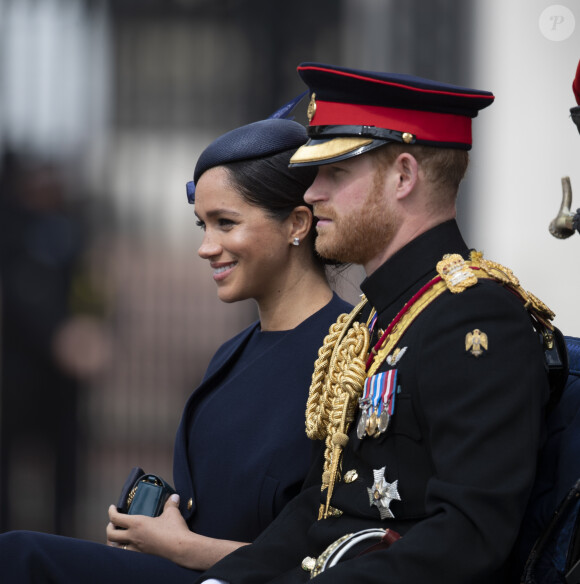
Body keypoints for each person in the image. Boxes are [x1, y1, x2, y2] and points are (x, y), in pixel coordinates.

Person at [197, 62, 562, 584]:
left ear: (404, 176)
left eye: (335, 173)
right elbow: (319, 507)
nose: (310, 193)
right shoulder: (377, 315)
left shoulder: (475, 317)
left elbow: (465, 537)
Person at [0, 118, 352, 582]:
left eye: (226, 223)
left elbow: (338, 551)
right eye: (203, 225)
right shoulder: (230, 354)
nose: (206, 247)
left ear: (297, 224)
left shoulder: (352, 352)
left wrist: (182, 546)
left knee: (21, 557)